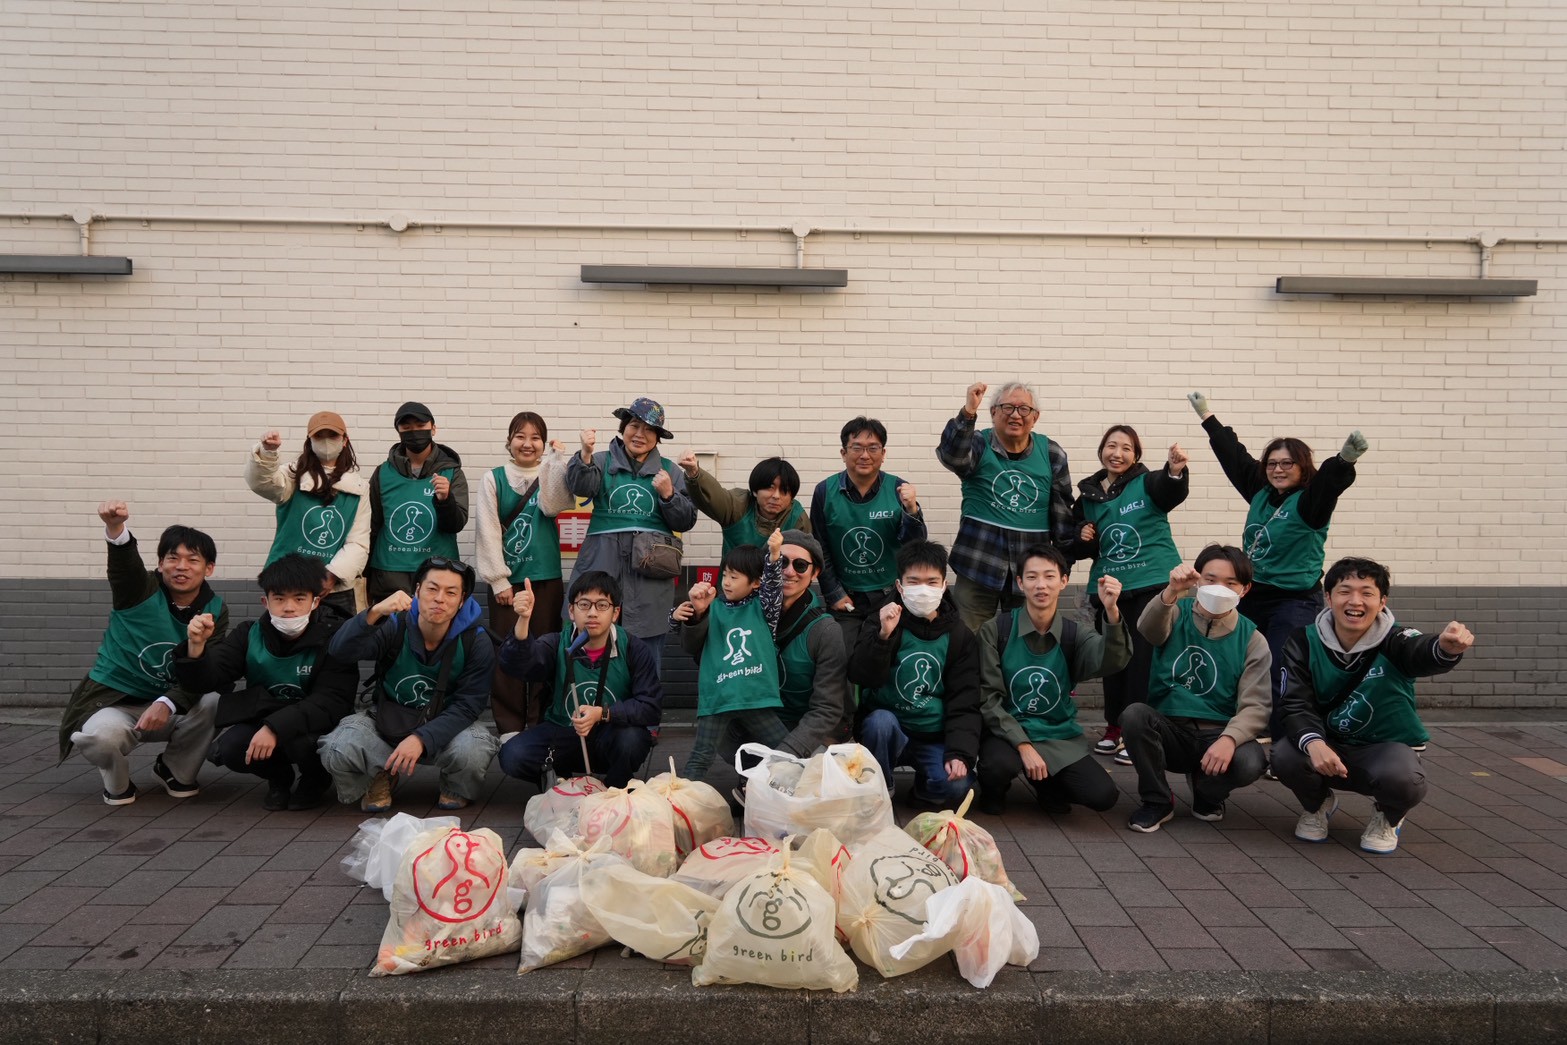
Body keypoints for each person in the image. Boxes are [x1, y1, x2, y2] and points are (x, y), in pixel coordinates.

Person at [1188, 391, 1366, 738]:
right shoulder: (1260, 490)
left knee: (1277, 667)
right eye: (1272, 463)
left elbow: (1329, 486)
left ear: (1302, 468)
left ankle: (1282, 739)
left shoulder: (1310, 502)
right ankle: (1235, 726)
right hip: (1251, 595)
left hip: (1294, 599)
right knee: (1237, 659)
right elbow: (1234, 458)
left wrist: (1343, 462)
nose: (1278, 470)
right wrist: (1208, 417)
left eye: (1287, 464)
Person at [1276, 557, 1474, 854]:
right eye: (1345, 591)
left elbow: (1420, 650)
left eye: (1367, 593)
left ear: (1382, 602)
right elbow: (1293, 700)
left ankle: (1388, 816)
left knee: (1405, 780)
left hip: (1383, 749)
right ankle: (1316, 806)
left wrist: (1445, 648)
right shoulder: (1303, 640)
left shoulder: (1397, 638)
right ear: (1328, 598)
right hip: (1329, 744)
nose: (1355, 601)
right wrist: (1314, 742)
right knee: (1284, 755)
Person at [58, 501, 228, 806]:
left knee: (214, 700)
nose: (181, 566)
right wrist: (115, 529)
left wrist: (166, 702)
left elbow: (207, 671)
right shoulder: (139, 590)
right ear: (161, 564)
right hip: (116, 702)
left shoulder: (216, 610)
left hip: (172, 707)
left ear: (209, 568)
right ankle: (117, 781)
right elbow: (124, 567)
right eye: (172, 558)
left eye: (193, 560)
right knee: (101, 737)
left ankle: (175, 770)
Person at [172, 553, 357, 810]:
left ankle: (315, 779)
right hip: (265, 716)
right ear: (265, 601)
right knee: (231, 748)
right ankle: (279, 778)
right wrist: (196, 647)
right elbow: (206, 680)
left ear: (315, 602)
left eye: (299, 598)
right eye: (279, 599)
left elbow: (332, 702)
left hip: (317, 726)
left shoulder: (336, 637)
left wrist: (274, 728)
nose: (289, 607)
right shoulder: (249, 634)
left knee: (301, 744)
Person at [319, 556, 497, 812]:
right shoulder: (394, 624)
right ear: (417, 591)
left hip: (446, 726)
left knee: (474, 748)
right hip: (387, 721)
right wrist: (375, 612)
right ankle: (379, 776)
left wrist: (422, 738)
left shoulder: (475, 640)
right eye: (432, 589)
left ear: (462, 600)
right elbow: (340, 651)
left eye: (451, 592)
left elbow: (469, 706)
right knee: (337, 747)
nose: (439, 598)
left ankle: (454, 786)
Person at [1121, 546, 1271, 833]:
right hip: (1170, 729)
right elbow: (1148, 630)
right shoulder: (1176, 613)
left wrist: (1230, 739)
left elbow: (1256, 705)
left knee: (1250, 761)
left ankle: (1208, 793)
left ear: (1245, 589)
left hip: (1217, 735)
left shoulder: (1252, 639)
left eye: (1231, 584)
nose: (1219, 589)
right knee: (1134, 715)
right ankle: (1157, 801)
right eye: (1210, 579)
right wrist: (1171, 592)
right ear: (1198, 580)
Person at [976, 545, 1131, 816]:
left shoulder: (1074, 635)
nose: (1041, 585)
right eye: (1032, 577)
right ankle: (994, 791)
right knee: (997, 766)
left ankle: (1046, 784)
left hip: (1056, 736)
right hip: (1006, 732)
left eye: (1049, 576)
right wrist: (1023, 745)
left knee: (1102, 795)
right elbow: (988, 700)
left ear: (1064, 581)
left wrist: (1112, 613)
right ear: (1020, 582)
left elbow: (1111, 660)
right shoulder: (996, 630)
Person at [1067, 427, 1190, 759]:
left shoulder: (1147, 483)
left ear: (1136, 455)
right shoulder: (1090, 495)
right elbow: (1076, 545)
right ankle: (1115, 726)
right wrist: (1083, 535)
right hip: (1109, 588)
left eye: (1125, 447)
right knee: (1113, 659)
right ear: (1101, 450)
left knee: (1142, 661)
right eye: (1111, 445)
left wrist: (1175, 471)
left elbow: (1169, 492)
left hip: (1150, 584)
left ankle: (1139, 731)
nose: (1117, 453)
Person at [496, 571, 664, 790]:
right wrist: (523, 620)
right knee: (512, 755)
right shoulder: (557, 643)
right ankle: (560, 779)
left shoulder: (633, 649)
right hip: (563, 731)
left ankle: (615, 787)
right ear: (571, 611)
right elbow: (519, 666)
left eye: (602, 605)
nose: (592, 613)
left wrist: (603, 714)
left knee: (632, 740)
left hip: (610, 734)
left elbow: (650, 706)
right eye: (584, 604)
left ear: (615, 613)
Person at [566, 397, 697, 677]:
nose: (640, 434)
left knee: (645, 654)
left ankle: (644, 718)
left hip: (649, 577)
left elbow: (686, 520)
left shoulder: (671, 472)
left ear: (658, 438)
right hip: (601, 566)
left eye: (649, 430)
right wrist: (585, 455)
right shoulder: (600, 460)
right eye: (634, 426)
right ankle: (594, 713)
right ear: (623, 428)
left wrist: (669, 495)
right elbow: (580, 488)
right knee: (591, 641)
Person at [847, 541, 979, 809]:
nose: (923, 589)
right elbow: (862, 676)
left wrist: (959, 753)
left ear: (944, 585)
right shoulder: (881, 620)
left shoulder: (959, 635)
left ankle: (925, 788)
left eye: (932, 582)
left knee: (957, 787)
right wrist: (883, 636)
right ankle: (880, 787)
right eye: (914, 581)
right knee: (879, 722)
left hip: (933, 734)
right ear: (899, 586)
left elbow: (965, 699)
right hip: (887, 731)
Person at [937, 381, 1074, 631]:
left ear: (1035, 417)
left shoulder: (1052, 453)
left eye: (1024, 409)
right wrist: (968, 412)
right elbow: (952, 455)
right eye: (1007, 407)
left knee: (1026, 640)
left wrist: (1062, 564)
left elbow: (1062, 513)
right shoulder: (978, 444)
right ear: (993, 413)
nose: (1015, 415)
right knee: (969, 639)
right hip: (978, 563)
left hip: (1032, 570)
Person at [475, 411, 574, 734]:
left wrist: (557, 463)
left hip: (546, 578)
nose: (527, 444)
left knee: (545, 651)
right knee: (507, 653)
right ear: (509, 441)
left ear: (543, 443)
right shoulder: (494, 478)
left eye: (535, 438)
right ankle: (510, 727)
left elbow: (553, 506)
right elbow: (487, 531)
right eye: (520, 436)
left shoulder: (548, 470)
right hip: (509, 584)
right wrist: (498, 580)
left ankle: (540, 722)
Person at [675, 529, 788, 781]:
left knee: (785, 750)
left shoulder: (763, 607)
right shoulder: (711, 605)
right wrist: (686, 613)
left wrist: (774, 553)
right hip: (718, 697)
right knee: (701, 755)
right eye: (724, 575)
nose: (726, 582)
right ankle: (680, 804)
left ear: (755, 583)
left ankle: (797, 792)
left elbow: (773, 586)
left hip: (754, 696)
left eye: (734, 577)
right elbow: (681, 627)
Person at [808, 416, 926, 653]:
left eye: (873, 448)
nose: (865, 455)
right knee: (841, 658)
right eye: (857, 448)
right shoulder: (825, 491)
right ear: (843, 453)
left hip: (890, 595)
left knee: (887, 658)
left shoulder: (898, 489)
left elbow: (915, 547)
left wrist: (912, 510)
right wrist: (834, 594)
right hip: (846, 598)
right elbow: (820, 548)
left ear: (883, 453)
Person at [246, 410, 371, 619]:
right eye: (319, 436)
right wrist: (267, 453)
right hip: (287, 585)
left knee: (337, 646)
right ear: (309, 441)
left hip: (335, 591)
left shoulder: (359, 488)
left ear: (344, 440)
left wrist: (332, 575)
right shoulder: (292, 475)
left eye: (332, 436)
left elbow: (358, 542)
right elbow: (263, 484)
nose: (326, 442)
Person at [365, 402, 470, 606]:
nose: (414, 432)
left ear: (433, 428)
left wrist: (445, 500)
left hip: (438, 573)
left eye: (420, 426)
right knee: (389, 634)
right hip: (389, 574)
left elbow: (456, 524)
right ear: (398, 432)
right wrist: (366, 573)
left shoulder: (451, 472)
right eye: (406, 428)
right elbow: (372, 525)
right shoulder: (382, 473)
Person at [679, 452, 811, 560]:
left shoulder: (797, 518)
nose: (776, 496)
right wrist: (694, 473)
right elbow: (714, 497)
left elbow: (806, 558)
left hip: (778, 590)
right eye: (770, 488)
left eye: (784, 491)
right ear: (755, 490)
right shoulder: (738, 505)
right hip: (734, 589)